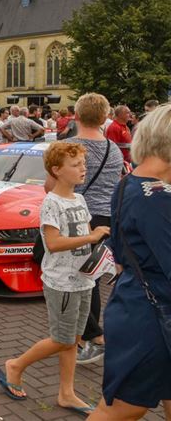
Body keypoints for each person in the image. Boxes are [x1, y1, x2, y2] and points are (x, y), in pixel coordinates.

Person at [0, 142, 109, 416]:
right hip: (61, 282)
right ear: (56, 171)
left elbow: (85, 236)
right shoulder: (51, 203)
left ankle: (66, 393)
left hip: (83, 280)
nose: (83, 169)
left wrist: (99, 252)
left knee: (74, 339)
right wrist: (91, 237)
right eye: (75, 165)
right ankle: (16, 366)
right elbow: (54, 243)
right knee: (61, 339)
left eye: (83, 163)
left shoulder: (79, 200)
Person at [89, 103, 171, 420]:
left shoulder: (130, 182)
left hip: (136, 304)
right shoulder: (159, 197)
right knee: (120, 410)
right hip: (152, 319)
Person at [45, 93, 123, 364]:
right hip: (107, 219)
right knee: (91, 278)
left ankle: (89, 336)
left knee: (78, 278)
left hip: (77, 218)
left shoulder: (67, 146)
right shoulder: (114, 148)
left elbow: (49, 186)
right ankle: (85, 335)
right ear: (104, 118)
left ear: (75, 116)